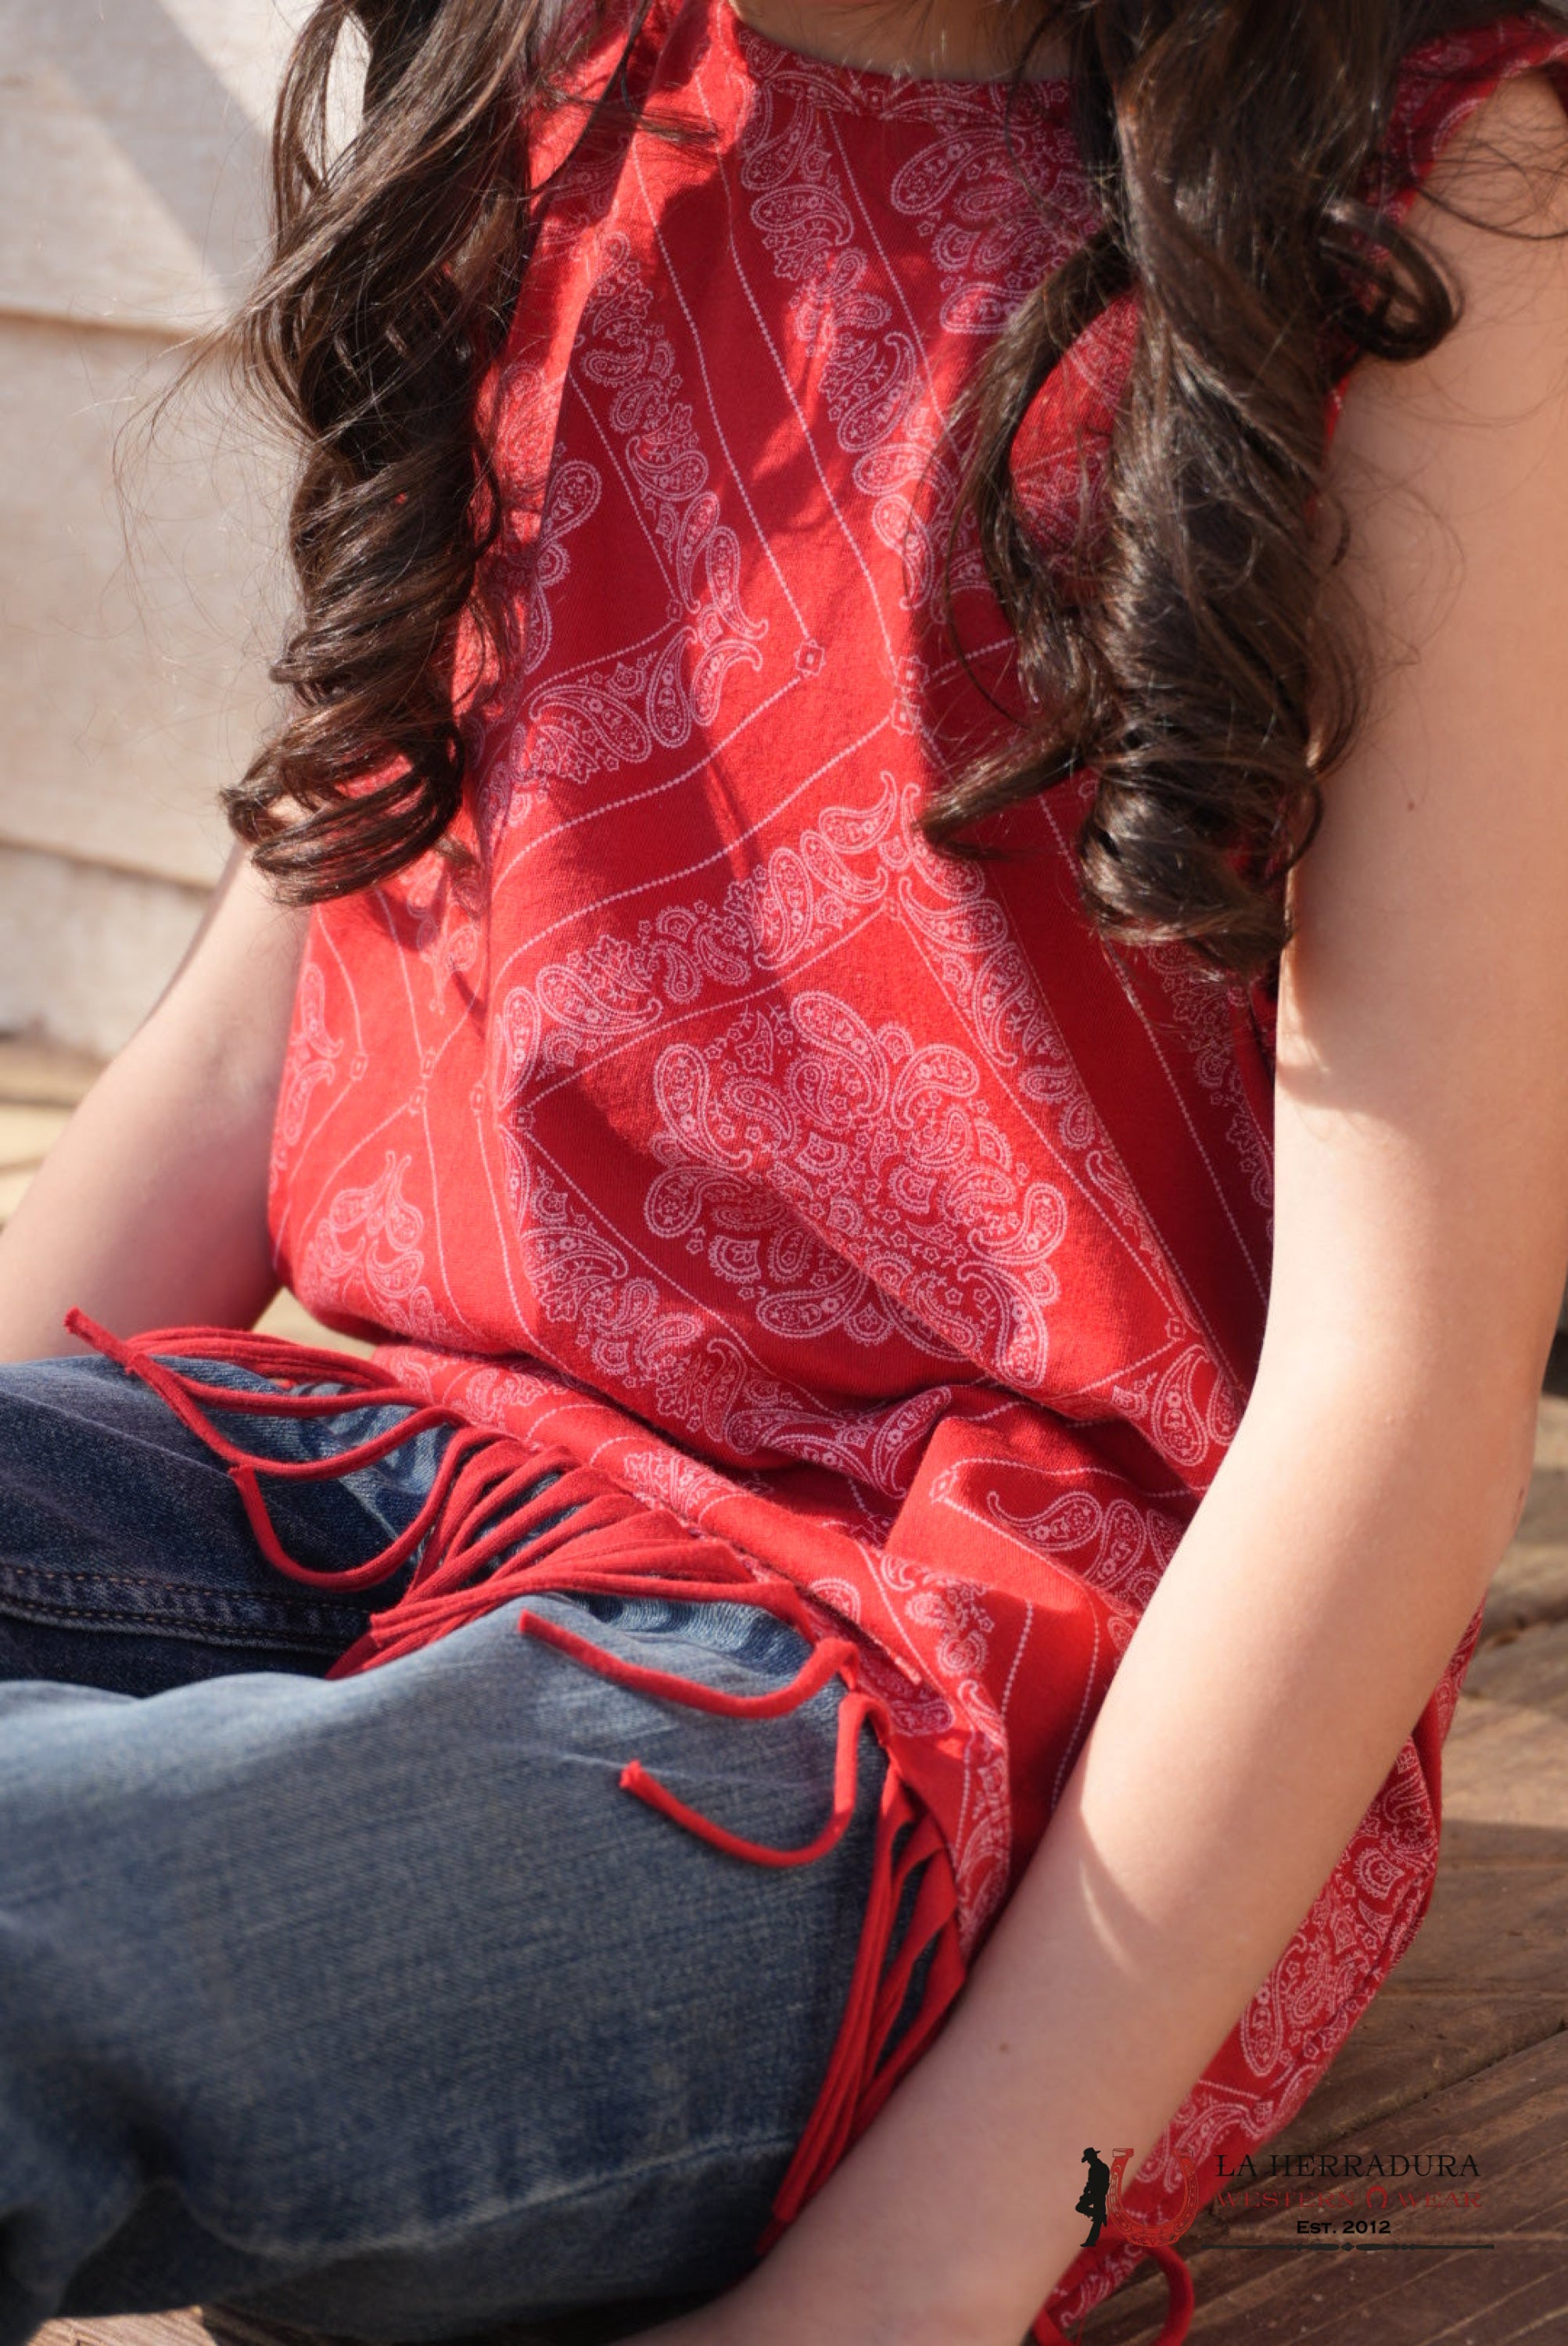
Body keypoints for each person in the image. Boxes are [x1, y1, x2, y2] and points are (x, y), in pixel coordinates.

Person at [3, 0, 1568, 2341]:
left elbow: (1402, 1392)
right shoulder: (553, 82)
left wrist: (918, 2278)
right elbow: (269, 1032)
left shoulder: (1421, 211)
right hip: (375, 1469)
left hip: (904, 1726)